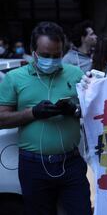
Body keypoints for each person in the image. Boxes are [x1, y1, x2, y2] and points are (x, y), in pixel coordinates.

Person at [0, 22, 91, 215]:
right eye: (45, 55)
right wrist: (32, 113)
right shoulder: (14, 78)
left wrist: (74, 110)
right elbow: (1, 118)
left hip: (71, 162)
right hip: (33, 166)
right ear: (33, 52)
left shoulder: (75, 74)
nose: (51, 60)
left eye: (56, 55)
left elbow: (92, 112)